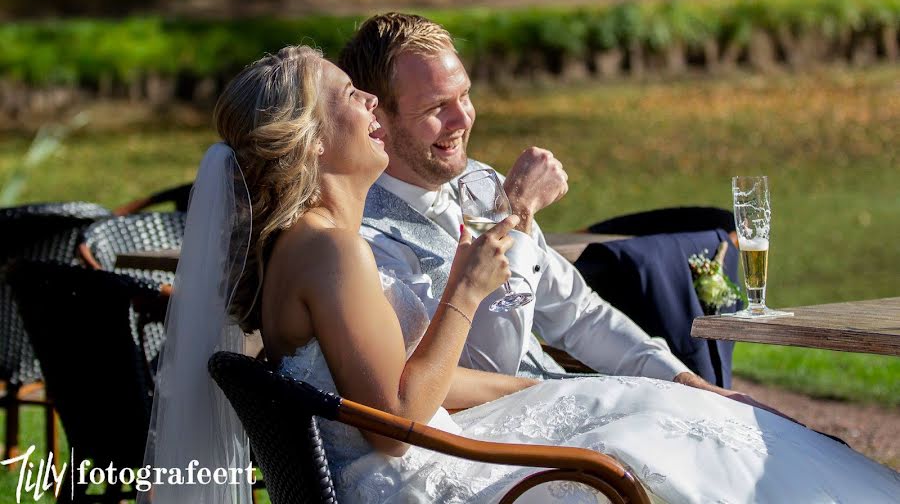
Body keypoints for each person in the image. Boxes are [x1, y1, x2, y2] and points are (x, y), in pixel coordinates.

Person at [144, 44, 898, 503]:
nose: (369, 101)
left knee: (659, 412)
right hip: (427, 482)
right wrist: (466, 293)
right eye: (351, 95)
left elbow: (387, 383)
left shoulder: (309, 243)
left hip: (428, 451)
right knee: (689, 449)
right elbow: (398, 427)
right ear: (308, 142)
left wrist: (549, 389)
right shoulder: (331, 248)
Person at [338, 12, 748, 396]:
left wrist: (683, 380)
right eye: (436, 107)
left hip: (557, 401)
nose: (462, 119)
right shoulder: (364, 237)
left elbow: (578, 314)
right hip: (500, 441)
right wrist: (517, 215)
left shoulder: (479, 182)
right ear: (379, 119)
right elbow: (486, 367)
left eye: (465, 95)